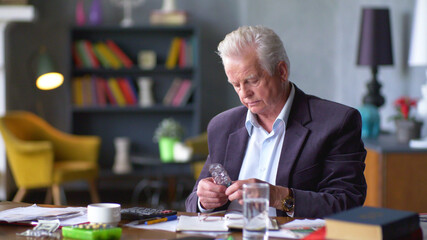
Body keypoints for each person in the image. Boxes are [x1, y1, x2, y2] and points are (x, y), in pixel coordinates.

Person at [185, 25, 367, 218]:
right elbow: (191, 204)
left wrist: (278, 196)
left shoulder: (336, 123)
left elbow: (347, 203)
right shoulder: (222, 126)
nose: (244, 94)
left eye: (252, 81)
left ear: (281, 71)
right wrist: (203, 200)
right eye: (236, 85)